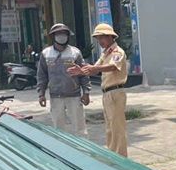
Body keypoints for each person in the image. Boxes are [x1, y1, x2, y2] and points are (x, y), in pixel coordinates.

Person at [73, 23, 129, 157]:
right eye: (98, 39)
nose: (100, 41)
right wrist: (81, 71)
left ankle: (121, 157)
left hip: (116, 92)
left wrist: (95, 69)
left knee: (117, 127)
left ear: (110, 37)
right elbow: (94, 68)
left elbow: (113, 67)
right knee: (110, 127)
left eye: (102, 38)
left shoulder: (117, 52)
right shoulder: (105, 54)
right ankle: (112, 155)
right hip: (107, 93)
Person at [37, 23, 90, 135]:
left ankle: (84, 151)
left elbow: (84, 73)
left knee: (80, 128)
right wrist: (41, 94)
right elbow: (42, 75)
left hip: (74, 96)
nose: (62, 36)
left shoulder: (75, 53)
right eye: (59, 34)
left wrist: (86, 92)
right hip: (55, 96)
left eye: (64, 34)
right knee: (58, 129)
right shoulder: (46, 54)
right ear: (53, 36)